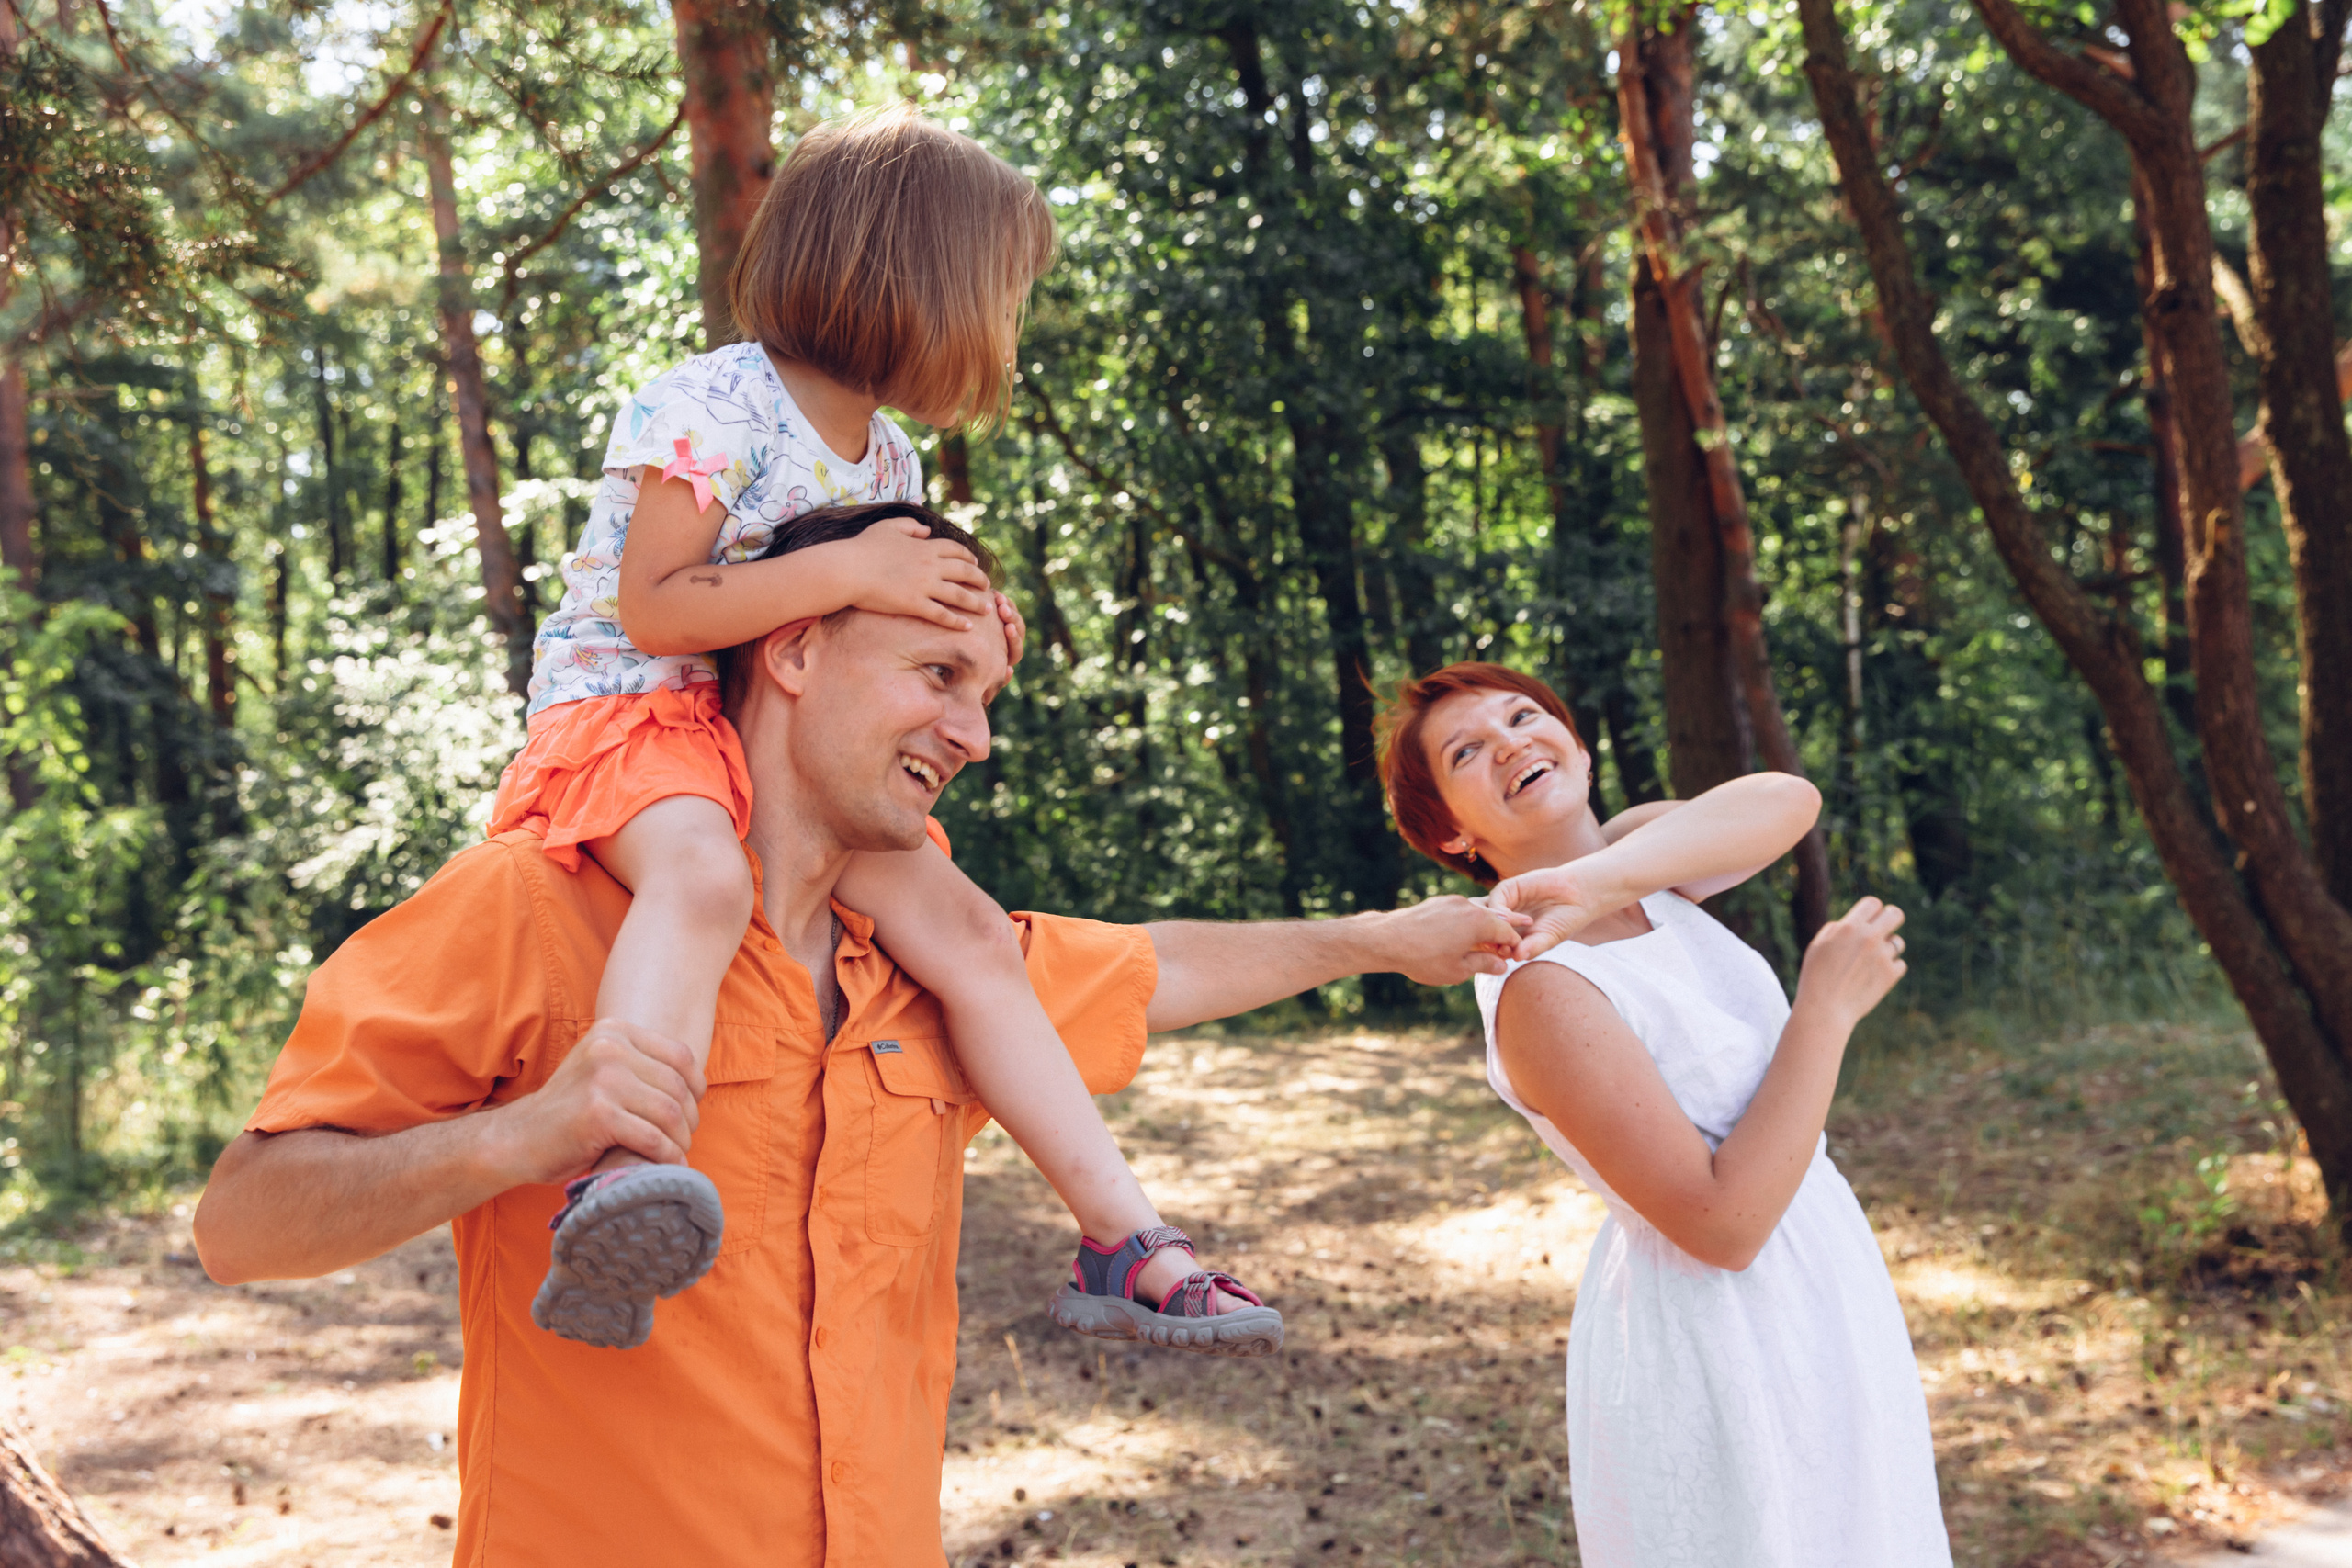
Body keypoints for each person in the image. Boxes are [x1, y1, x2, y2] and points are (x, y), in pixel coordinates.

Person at [495, 104, 1266, 1351]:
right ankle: (618, 1175)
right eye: (1002, 293)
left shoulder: (891, 462)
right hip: (639, 715)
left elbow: (874, 635)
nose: (1006, 328)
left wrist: (967, 633)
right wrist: (858, 575)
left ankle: (1124, 1232)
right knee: (696, 878)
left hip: (790, 752)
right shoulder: (713, 404)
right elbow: (657, 601)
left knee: (968, 929)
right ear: (921, 280)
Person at [1379, 661, 1951, 1568]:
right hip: (1721, 1321)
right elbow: (1720, 1225)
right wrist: (1824, 1013)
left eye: (1525, 716)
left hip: (1820, 1274)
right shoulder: (1541, 990)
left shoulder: (1645, 860)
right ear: (1450, 829)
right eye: (1468, 751)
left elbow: (1785, 797)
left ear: (1576, 741)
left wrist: (1599, 882)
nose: (1511, 744)